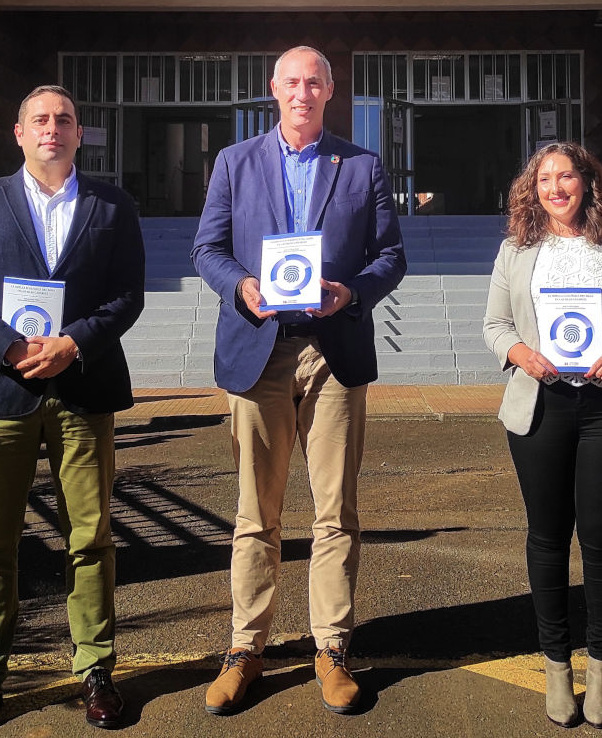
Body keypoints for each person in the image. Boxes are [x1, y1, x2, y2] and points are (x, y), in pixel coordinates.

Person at [191, 46, 406, 716]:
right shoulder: (235, 162)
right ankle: (246, 647)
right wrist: (242, 287)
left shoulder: (362, 164)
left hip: (332, 351)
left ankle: (331, 648)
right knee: (256, 512)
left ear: (331, 90)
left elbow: (391, 254)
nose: (303, 91)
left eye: (315, 81)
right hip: (259, 351)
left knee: (335, 509)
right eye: (292, 81)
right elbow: (207, 249)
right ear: (272, 89)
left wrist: (352, 292)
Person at [0, 84, 144, 735]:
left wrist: (72, 343)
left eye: (65, 119)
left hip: (84, 391)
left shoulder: (112, 204)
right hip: (1, 394)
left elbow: (128, 296)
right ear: (19, 132)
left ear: (80, 134)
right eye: (40, 119)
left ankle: (97, 671)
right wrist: (10, 347)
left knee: (89, 538)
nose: (52, 128)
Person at [482, 142, 602, 728]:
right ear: (530, 190)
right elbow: (494, 325)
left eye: (566, 176)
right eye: (544, 179)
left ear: (588, 182)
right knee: (548, 538)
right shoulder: (516, 251)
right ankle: (557, 668)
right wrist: (521, 355)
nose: (555, 188)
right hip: (541, 406)